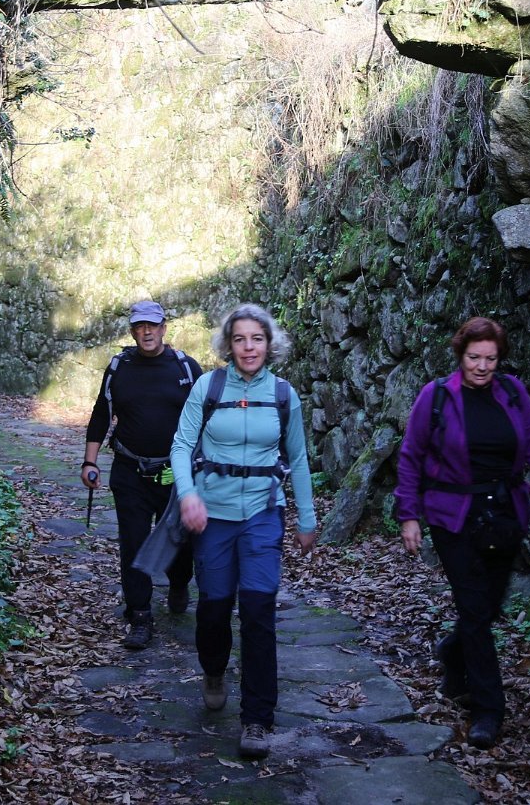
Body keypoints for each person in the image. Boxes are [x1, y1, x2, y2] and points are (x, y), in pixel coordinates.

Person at [393, 316, 530, 750]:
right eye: (474, 357)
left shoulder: (512, 392)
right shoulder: (436, 396)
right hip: (452, 516)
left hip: (504, 513)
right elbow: (411, 456)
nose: (482, 366)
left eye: (490, 358)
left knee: (487, 608)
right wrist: (409, 515)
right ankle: (488, 709)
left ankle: (453, 653)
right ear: (461, 354)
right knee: (474, 608)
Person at [171, 304, 317, 760]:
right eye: (240, 339)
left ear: (269, 344)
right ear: (228, 345)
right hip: (211, 515)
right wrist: (188, 495)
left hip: (262, 514)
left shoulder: (283, 395)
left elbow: (298, 459)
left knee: (258, 610)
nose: (249, 347)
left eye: (257, 339)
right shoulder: (208, 387)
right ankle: (214, 669)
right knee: (214, 609)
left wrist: (307, 519)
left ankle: (257, 718)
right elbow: (181, 445)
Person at [82, 300, 204, 650]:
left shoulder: (186, 368)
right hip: (130, 470)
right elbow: (101, 413)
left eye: (152, 325)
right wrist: (89, 463)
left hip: (175, 474)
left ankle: (179, 583)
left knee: (179, 543)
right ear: (133, 331)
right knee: (133, 543)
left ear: (164, 328)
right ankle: (140, 615)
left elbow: (205, 418)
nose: (147, 332)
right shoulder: (119, 367)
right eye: (140, 326)